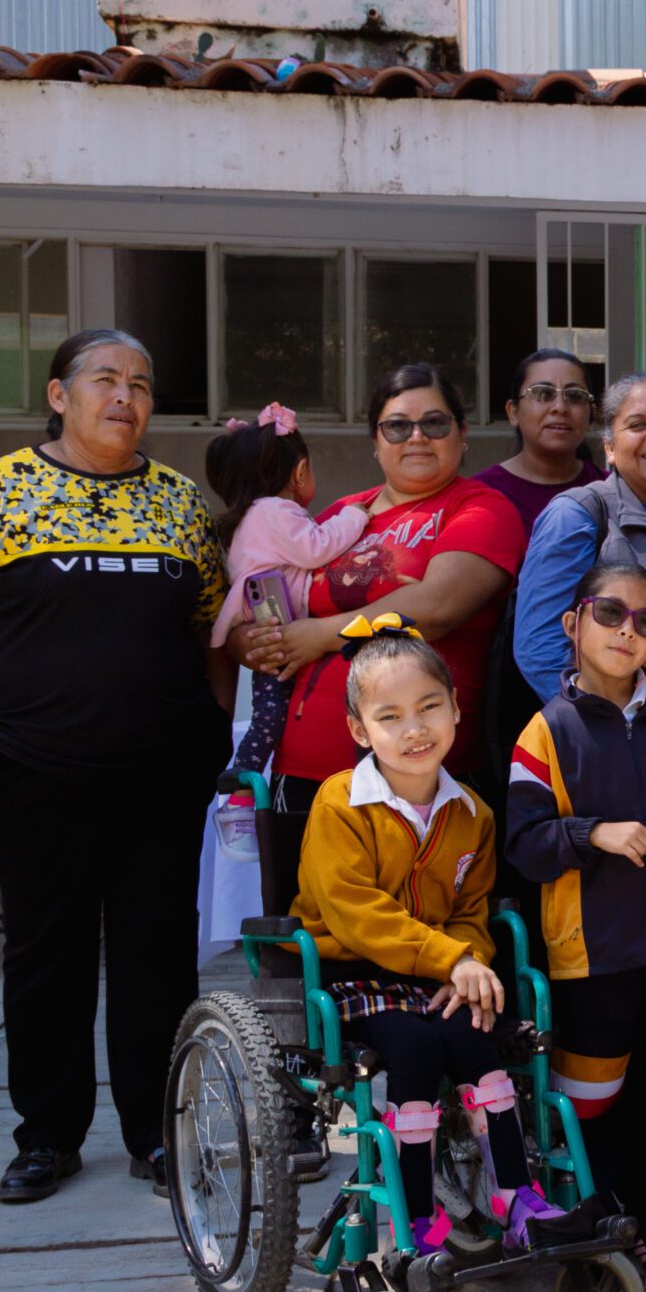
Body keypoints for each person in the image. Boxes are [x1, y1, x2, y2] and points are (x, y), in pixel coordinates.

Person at [0, 328, 232, 1205]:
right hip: (34, 769)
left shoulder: (178, 503)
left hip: (162, 775)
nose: (125, 395)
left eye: (141, 381)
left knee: (157, 955)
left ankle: (156, 1132)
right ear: (60, 394)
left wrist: (216, 727)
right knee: (44, 953)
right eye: (104, 379)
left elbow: (216, 629)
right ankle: (47, 1137)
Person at [292, 616, 586, 1257]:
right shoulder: (340, 805)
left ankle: (516, 1197)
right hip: (357, 973)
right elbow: (354, 912)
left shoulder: (471, 812)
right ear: (358, 730)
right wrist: (452, 958)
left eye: (429, 708)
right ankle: (417, 1217)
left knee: (478, 1035)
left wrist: (471, 962)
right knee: (415, 1052)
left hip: (436, 973)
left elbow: (469, 911)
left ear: (456, 709)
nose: (414, 729)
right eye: (390, 716)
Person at [227, 364, 527, 915]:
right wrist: (255, 641)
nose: (417, 437)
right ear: (375, 441)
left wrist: (317, 635)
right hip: (307, 776)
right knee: (313, 941)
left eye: (435, 423)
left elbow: (436, 606)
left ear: (462, 435)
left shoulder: (480, 508)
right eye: (397, 426)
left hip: (424, 779)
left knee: (415, 938)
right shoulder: (345, 514)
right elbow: (273, 589)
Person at [503, 563, 646, 1292]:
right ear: (573, 624)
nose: (628, 630)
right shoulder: (545, 731)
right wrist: (594, 833)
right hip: (591, 954)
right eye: (611, 613)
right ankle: (595, 1218)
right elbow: (525, 845)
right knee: (592, 1102)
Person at [511, 371, 646, 702]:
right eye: (638, 425)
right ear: (609, 447)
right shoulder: (577, 515)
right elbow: (541, 649)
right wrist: (614, 724)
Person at [205, 404, 370, 775]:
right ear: (300, 472)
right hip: (275, 628)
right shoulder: (275, 512)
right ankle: (243, 778)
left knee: (270, 705)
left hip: (268, 623)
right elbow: (318, 547)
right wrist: (355, 515)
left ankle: (245, 775)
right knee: (270, 713)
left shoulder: (252, 514)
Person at [475, 349, 603, 532]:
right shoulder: (481, 496)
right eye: (543, 394)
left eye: (575, 396)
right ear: (513, 412)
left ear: (592, 414)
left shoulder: (611, 492)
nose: (560, 407)